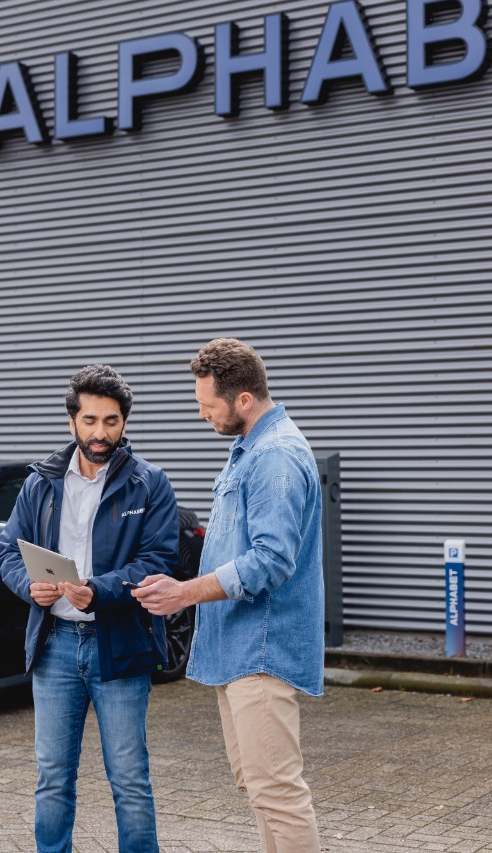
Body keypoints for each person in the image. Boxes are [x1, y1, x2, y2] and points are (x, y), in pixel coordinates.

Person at [132, 338, 324, 853]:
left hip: (261, 650)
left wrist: (185, 593)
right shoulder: (250, 450)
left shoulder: (275, 457)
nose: (202, 414)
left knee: (277, 792)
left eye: (208, 404)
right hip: (239, 650)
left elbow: (271, 560)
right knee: (258, 787)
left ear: (243, 399)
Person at [0, 364, 178, 853]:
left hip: (120, 646)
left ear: (125, 423)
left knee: (130, 779)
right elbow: (9, 550)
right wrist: (28, 586)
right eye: (91, 420)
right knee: (53, 777)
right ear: (72, 421)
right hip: (55, 645)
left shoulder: (150, 483)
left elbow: (158, 561)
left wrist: (98, 591)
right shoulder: (41, 482)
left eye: (111, 421)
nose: (101, 432)